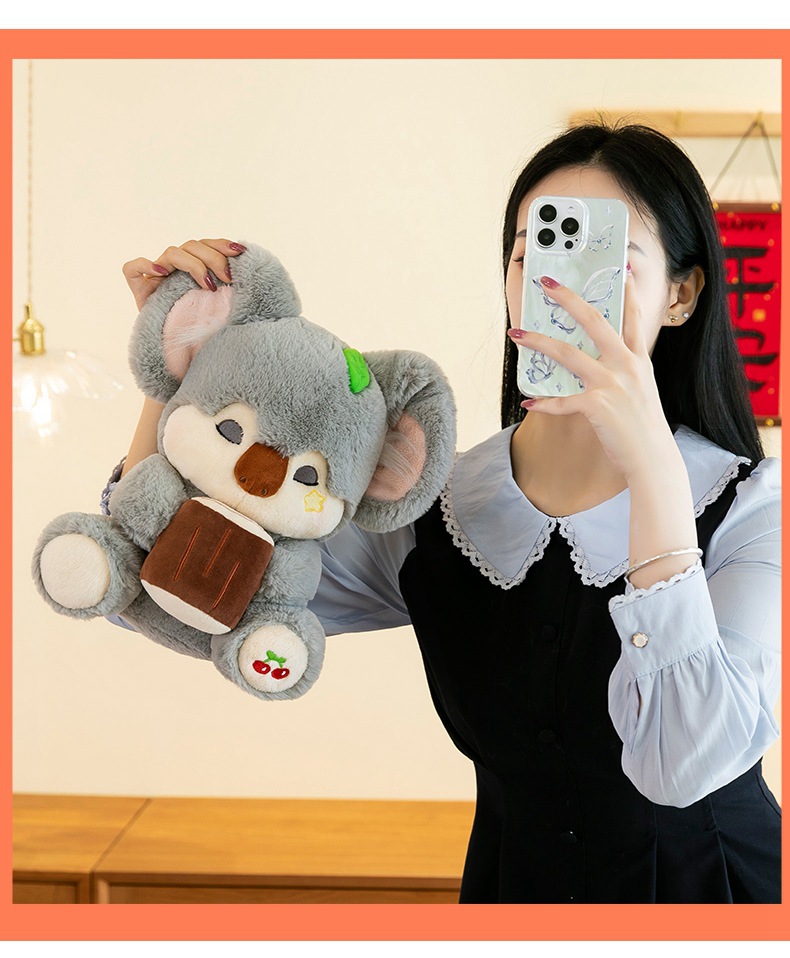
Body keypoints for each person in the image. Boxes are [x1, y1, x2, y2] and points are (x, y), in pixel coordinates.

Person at [108, 123, 781, 903]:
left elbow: (686, 766)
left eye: (607, 260)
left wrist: (654, 469)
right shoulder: (435, 505)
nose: (562, 289)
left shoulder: (752, 507)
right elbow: (178, 587)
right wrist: (178, 365)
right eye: (533, 254)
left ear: (681, 294)